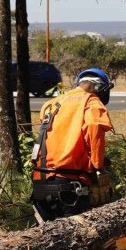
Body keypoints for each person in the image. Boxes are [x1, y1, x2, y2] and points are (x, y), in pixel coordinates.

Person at [31, 68, 114, 221]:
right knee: (79, 241)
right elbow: (94, 131)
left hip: (39, 185)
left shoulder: (52, 103)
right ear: (99, 88)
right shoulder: (90, 101)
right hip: (69, 189)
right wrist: (99, 169)